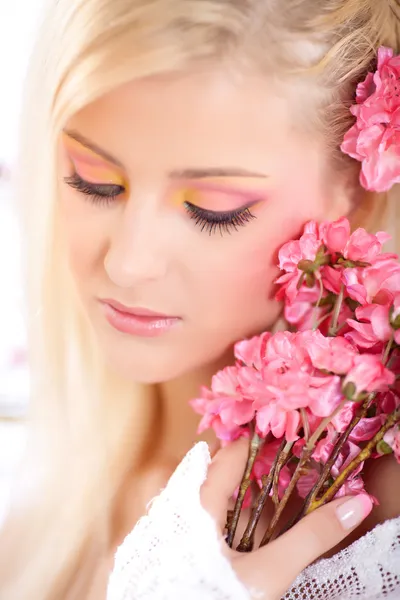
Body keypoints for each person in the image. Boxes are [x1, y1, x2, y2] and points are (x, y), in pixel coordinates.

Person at [0, 0, 399, 598]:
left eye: (211, 210)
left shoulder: (375, 538)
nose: (127, 264)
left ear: (358, 192)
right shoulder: (31, 473)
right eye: (94, 181)